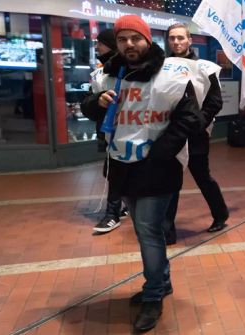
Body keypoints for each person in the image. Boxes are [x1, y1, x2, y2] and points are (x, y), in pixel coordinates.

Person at [81, 15, 202, 332]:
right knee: (145, 229)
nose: (129, 45)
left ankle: (153, 296)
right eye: (122, 40)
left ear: (148, 40)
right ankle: (162, 282)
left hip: (157, 169)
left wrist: (160, 154)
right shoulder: (109, 76)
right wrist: (97, 102)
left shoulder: (171, 75)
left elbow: (190, 119)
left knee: (148, 231)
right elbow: (88, 109)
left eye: (136, 38)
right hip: (123, 167)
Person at [163, 23, 228, 245]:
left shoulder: (205, 68)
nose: (176, 42)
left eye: (180, 38)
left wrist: (199, 123)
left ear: (190, 40)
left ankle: (220, 214)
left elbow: (215, 101)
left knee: (202, 177)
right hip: (170, 134)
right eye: (172, 38)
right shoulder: (162, 67)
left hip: (196, 133)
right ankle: (167, 229)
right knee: (170, 181)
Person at [83, 29, 130, 234]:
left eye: (100, 43)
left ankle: (113, 213)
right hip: (109, 129)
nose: (96, 47)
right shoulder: (100, 72)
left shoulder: (131, 69)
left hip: (128, 130)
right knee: (112, 171)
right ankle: (120, 206)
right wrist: (97, 100)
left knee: (115, 172)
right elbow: (89, 104)